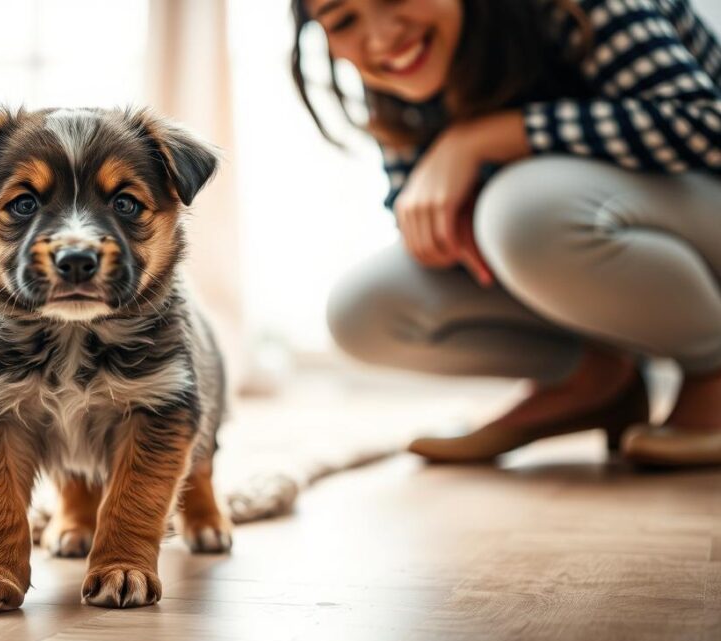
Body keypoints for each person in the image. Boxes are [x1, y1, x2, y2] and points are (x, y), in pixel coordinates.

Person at [292, 0, 721, 465]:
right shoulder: (401, 74)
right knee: (364, 310)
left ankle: (713, 366)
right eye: (343, 21)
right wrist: (450, 224)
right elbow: (415, 200)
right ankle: (598, 380)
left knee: (523, 213)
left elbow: (706, 124)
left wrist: (488, 137)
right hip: (600, 219)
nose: (381, 38)